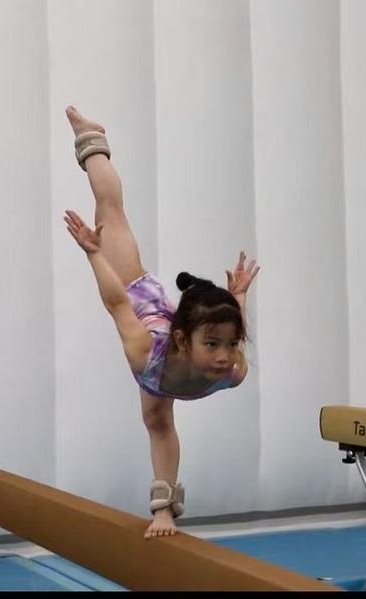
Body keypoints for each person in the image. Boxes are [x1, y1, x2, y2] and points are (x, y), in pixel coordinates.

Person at [62, 106, 260, 539]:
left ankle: (164, 510)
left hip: (169, 360)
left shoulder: (233, 369)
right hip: (139, 303)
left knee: (157, 422)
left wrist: (239, 298)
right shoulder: (145, 350)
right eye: (213, 346)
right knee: (110, 212)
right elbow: (118, 303)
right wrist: (94, 253)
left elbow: (232, 331)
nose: (225, 357)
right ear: (184, 341)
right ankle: (92, 142)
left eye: (229, 345)